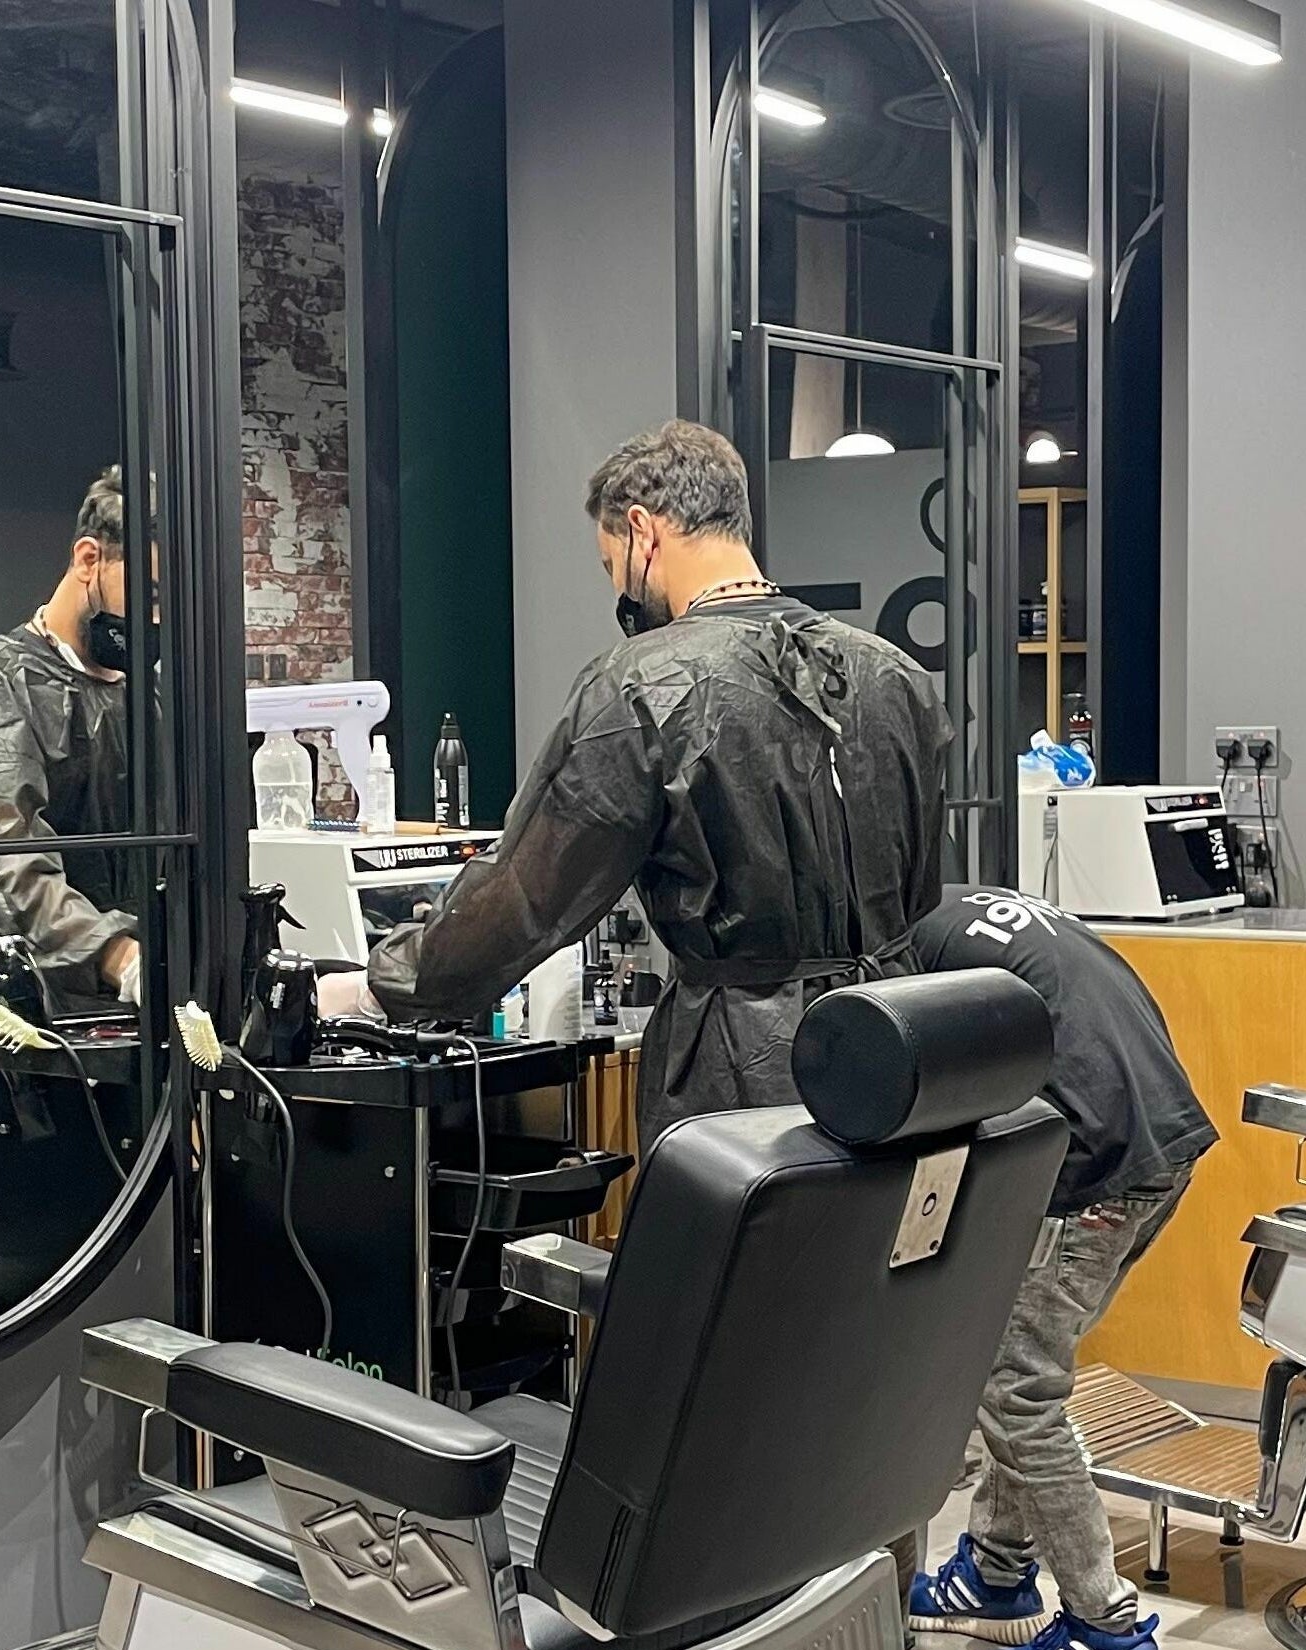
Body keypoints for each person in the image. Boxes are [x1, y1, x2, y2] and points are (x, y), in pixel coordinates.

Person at [322, 419, 952, 1135]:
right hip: (901, 1051)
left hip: (744, 1081)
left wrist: (380, 984)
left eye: (609, 563)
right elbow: (926, 880)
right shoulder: (894, 674)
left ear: (642, 532)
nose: (617, 587)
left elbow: (529, 897)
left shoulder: (641, 687)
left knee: (743, 1245)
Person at [900, 885, 1218, 1650]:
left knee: (1016, 1390)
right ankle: (998, 1573)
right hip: (1160, 1141)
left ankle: (1106, 1628)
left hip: (1093, 1168)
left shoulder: (900, 961)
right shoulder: (969, 910)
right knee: (1012, 1361)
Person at [0, 465, 149, 1311]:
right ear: (90, 557)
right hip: (24, 1032)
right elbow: (6, 858)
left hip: (128, 1029)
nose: (153, 618)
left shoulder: (147, 692)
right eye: (144, 592)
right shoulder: (0, 686)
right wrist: (119, 955)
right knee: (32, 1297)